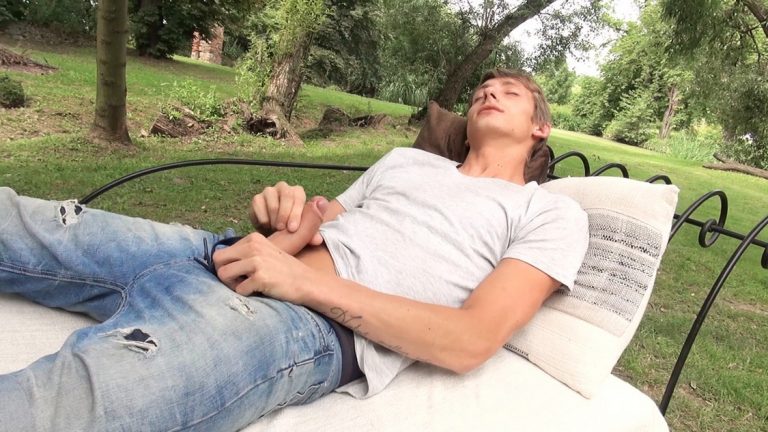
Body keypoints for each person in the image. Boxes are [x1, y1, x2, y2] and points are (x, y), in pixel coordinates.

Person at [0, 68, 589, 431]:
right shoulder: (407, 162)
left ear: (539, 126)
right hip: (221, 256)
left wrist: (301, 282)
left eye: (509, 91)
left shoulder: (550, 212)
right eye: (483, 88)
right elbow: (324, 222)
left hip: (300, 326)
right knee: (26, 222)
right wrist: (282, 215)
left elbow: (471, 340)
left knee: (60, 404)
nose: (489, 92)